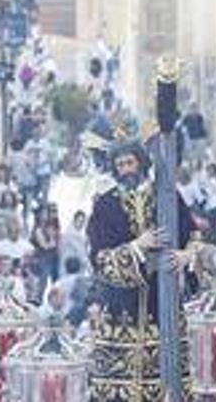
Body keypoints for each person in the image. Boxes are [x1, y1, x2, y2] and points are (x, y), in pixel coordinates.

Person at [86, 135, 200, 401]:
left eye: (130, 162)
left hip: (161, 307)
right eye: (120, 164)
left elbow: (194, 236)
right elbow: (99, 260)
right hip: (119, 311)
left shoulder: (167, 197)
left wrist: (187, 255)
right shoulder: (104, 204)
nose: (126, 169)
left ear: (141, 162)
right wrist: (136, 247)